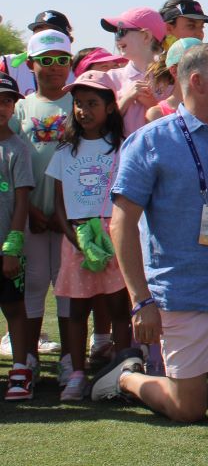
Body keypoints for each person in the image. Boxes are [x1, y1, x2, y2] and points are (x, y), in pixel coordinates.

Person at [96, 43, 208, 424]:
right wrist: (142, 300)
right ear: (197, 81)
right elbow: (121, 223)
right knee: (187, 409)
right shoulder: (150, 141)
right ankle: (126, 377)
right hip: (182, 288)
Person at [49, 70, 130, 401]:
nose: (84, 110)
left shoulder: (122, 149)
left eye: (92, 103)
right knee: (77, 310)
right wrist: (74, 238)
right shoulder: (64, 152)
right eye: (79, 104)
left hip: (114, 237)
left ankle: (124, 369)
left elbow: (127, 198)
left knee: (118, 307)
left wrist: (114, 237)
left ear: (110, 107)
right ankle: (77, 374)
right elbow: (58, 204)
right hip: (76, 239)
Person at [12, 30, 76, 378]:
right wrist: (33, 212)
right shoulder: (20, 107)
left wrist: (63, 216)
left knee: (66, 287)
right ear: (32, 63)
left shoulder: (78, 103)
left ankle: (70, 359)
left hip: (69, 219)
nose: (54, 68)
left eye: (62, 60)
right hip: (32, 215)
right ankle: (30, 358)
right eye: (46, 61)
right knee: (35, 285)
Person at [0, 72, 36, 401]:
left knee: (14, 308)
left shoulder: (17, 149)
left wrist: (12, 246)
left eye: (7, 100)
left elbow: (22, 199)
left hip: (6, 250)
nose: (1, 106)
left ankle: (21, 370)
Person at [101, 7, 168, 136]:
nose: (117, 39)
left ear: (146, 36)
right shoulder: (110, 78)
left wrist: (153, 105)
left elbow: (182, 129)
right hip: (122, 155)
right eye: (116, 33)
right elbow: (100, 127)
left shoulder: (171, 78)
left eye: (122, 31)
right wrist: (127, 98)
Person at [0, 11, 74, 97]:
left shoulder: (77, 70)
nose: (44, 38)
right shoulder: (9, 63)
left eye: (51, 33)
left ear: (67, 38)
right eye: (39, 32)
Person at [146, 38, 202, 122]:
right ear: (174, 70)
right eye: (193, 64)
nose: (202, 69)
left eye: (206, 63)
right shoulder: (157, 114)